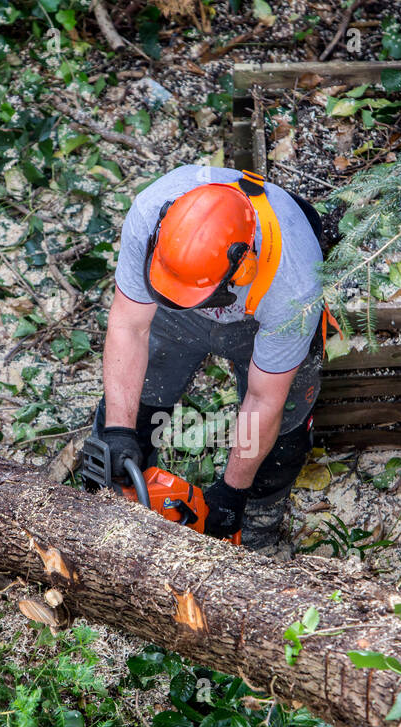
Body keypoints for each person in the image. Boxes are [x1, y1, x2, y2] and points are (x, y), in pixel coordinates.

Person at [95, 164, 328, 549]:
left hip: (259, 319)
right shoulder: (149, 211)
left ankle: (257, 522)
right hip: (170, 309)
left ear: (243, 265)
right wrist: (118, 432)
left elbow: (263, 398)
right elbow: (128, 327)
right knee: (133, 409)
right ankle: (114, 504)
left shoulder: (295, 285)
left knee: (283, 429)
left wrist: (232, 490)